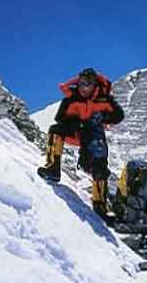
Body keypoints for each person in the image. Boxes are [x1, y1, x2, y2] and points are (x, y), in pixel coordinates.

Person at [37, 68, 124, 218]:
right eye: (82, 83)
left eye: (88, 84)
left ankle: (100, 204)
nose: (84, 87)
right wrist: (77, 122)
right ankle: (52, 169)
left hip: (93, 135)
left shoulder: (104, 99)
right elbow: (60, 118)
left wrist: (102, 117)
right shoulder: (71, 98)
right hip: (76, 131)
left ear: (95, 85)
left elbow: (118, 116)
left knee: (100, 160)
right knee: (55, 129)